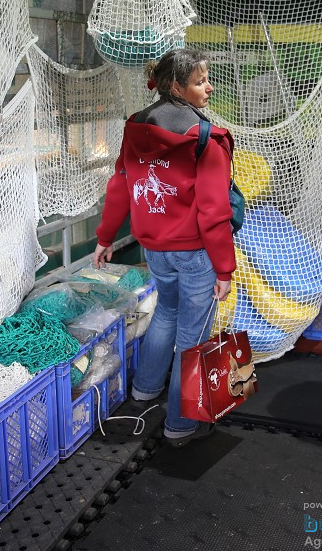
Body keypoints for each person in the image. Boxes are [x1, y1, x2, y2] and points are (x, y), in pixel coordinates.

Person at [93, 47, 235, 447]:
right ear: (177, 86)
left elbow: (120, 185)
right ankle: (180, 424)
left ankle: (144, 391)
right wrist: (224, 268)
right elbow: (213, 210)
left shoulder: (136, 127)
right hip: (196, 252)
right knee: (193, 334)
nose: (209, 87)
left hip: (154, 247)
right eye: (199, 81)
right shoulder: (206, 138)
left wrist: (106, 237)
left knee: (166, 313)